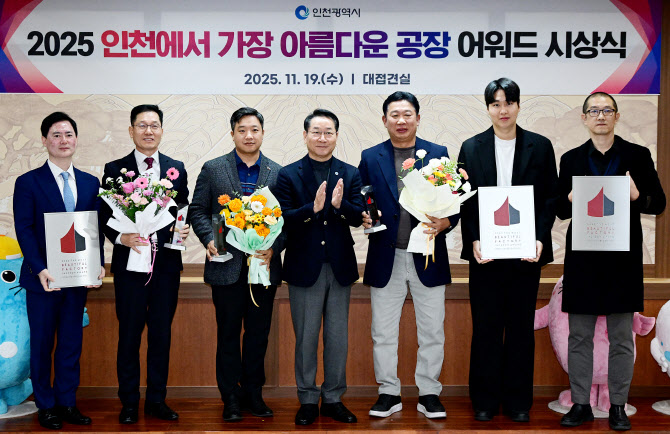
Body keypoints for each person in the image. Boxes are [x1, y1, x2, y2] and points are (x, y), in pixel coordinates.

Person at [557, 92, 665, 431]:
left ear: (616, 116)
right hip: (583, 262)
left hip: (623, 263)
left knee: (621, 338)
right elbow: (559, 209)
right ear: (584, 118)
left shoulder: (637, 155)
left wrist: (637, 196)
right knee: (579, 337)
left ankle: (618, 405)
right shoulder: (572, 159)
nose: (600, 116)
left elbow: (658, 203)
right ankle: (580, 404)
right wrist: (570, 199)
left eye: (607, 110)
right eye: (594, 111)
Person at [458, 78, 558, 422]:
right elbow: (465, 200)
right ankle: (484, 401)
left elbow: (550, 198)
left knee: (520, 330)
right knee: (486, 329)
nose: (503, 110)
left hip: (525, 253)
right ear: (488, 108)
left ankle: (518, 402)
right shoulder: (471, 147)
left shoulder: (540, 146)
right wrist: (473, 239)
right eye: (496, 104)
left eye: (509, 103)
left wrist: (540, 238)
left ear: (518, 105)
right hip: (486, 255)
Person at [359, 91, 459, 419]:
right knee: (382, 332)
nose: (401, 121)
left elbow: (455, 201)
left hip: (427, 254)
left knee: (432, 330)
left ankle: (429, 392)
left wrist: (446, 222)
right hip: (385, 256)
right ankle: (388, 392)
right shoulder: (370, 157)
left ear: (417, 118)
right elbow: (362, 200)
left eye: (407, 114)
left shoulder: (438, 154)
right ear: (384, 119)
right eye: (394, 115)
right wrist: (362, 215)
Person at [190, 107, 283, 422]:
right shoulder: (214, 169)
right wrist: (208, 239)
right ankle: (230, 397)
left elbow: (287, 220)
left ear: (262, 133)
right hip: (225, 266)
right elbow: (198, 210)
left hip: (262, 267)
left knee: (258, 335)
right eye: (242, 130)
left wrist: (274, 247)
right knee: (228, 335)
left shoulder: (278, 172)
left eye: (254, 129)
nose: (248, 135)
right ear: (232, 134)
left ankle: (254, 395)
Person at [14, 112, 105, 429]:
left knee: (70, 343)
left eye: (68, 134)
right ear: (44, 140)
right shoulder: (28, 182)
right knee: (42, 345)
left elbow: (94, 229)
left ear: (76, 139)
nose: (63, 140)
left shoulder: (90, 183)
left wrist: (97, 264)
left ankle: (67, 402)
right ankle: (46, 405)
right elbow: (24, 229)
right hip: (43, 280)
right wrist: (39, 268)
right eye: (56, 135)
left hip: (77, 277)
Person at [274, 109, 365, 426]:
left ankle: (334, 398)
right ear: (305, 135)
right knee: (306, 338)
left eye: (328, 132)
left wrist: (340, 206)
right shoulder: (288, 174)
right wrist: (310, 209)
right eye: (316, 132)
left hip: (339, 267)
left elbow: (359, 218)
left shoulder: (350, 173)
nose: (322, 138)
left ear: (336, 136)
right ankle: (308, 399)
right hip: (304, 266)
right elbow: (281, 218)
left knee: (338, 339)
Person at [100, 104, 190, 424]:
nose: (148, 131)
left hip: (165, 267)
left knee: (161, 336)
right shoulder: (115, 168)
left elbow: (182, 210)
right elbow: (104, 214)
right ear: (131, 130)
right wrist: (120, 237)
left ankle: (156, 400)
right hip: (129, 267)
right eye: (142, 125)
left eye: (154, 125)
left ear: (162, 130)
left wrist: (181, 231)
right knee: (129, 335)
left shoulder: (176, 168)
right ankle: (128, 402)